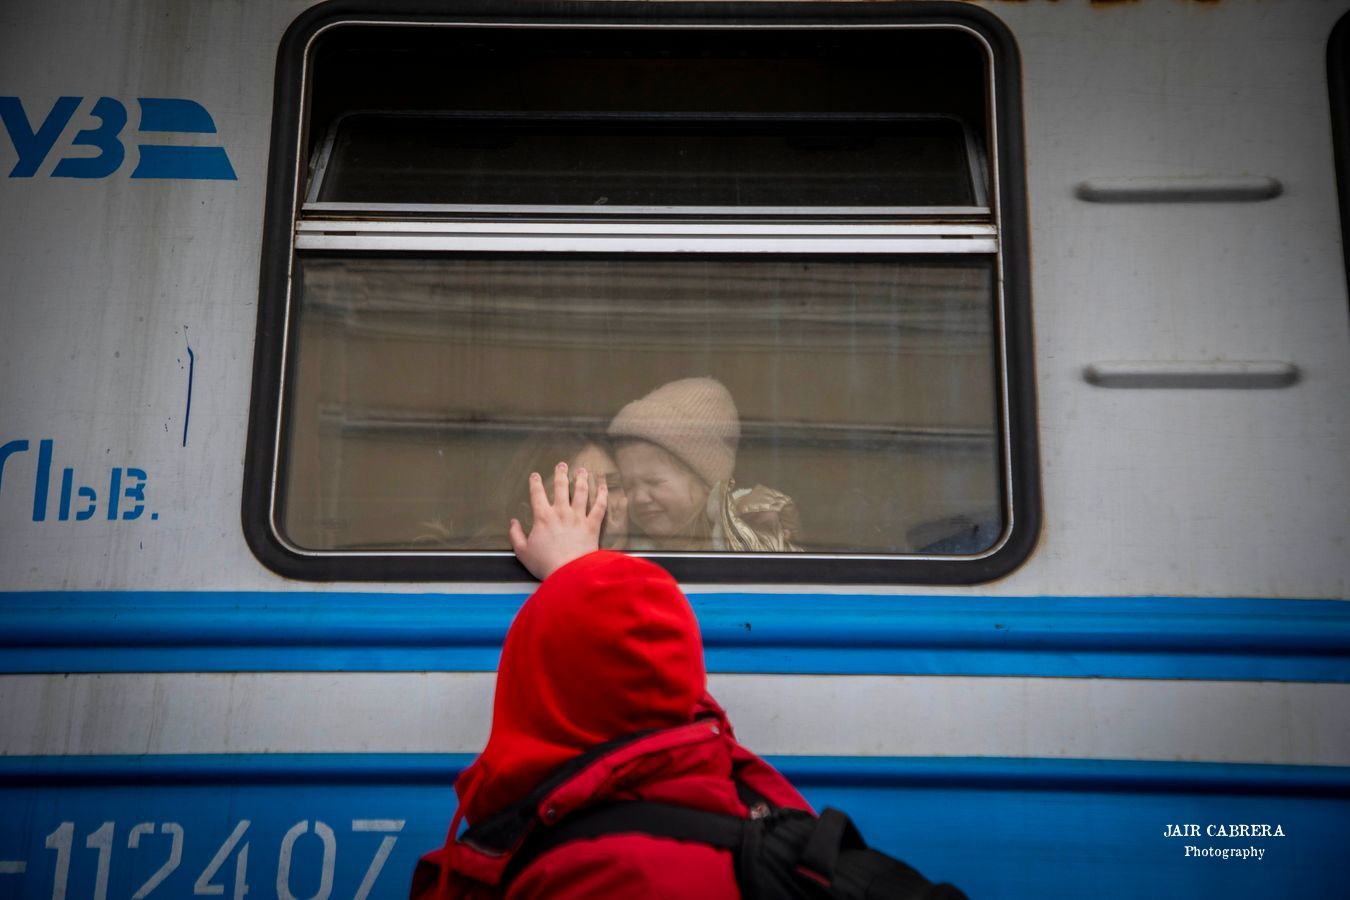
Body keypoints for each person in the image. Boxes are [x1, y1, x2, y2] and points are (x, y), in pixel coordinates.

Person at [411, 463, 812, 899]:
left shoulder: (568, 873)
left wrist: (575, 577)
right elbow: (652, 686)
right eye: (574, 498)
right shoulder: (753, 796)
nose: (601, 509)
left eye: (610, 487)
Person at [607, 376, 802, 552]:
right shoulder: (635, 552)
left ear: (706, 484)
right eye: (628, 486)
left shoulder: (747, 540)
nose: (639, 498)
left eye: (654, 481)